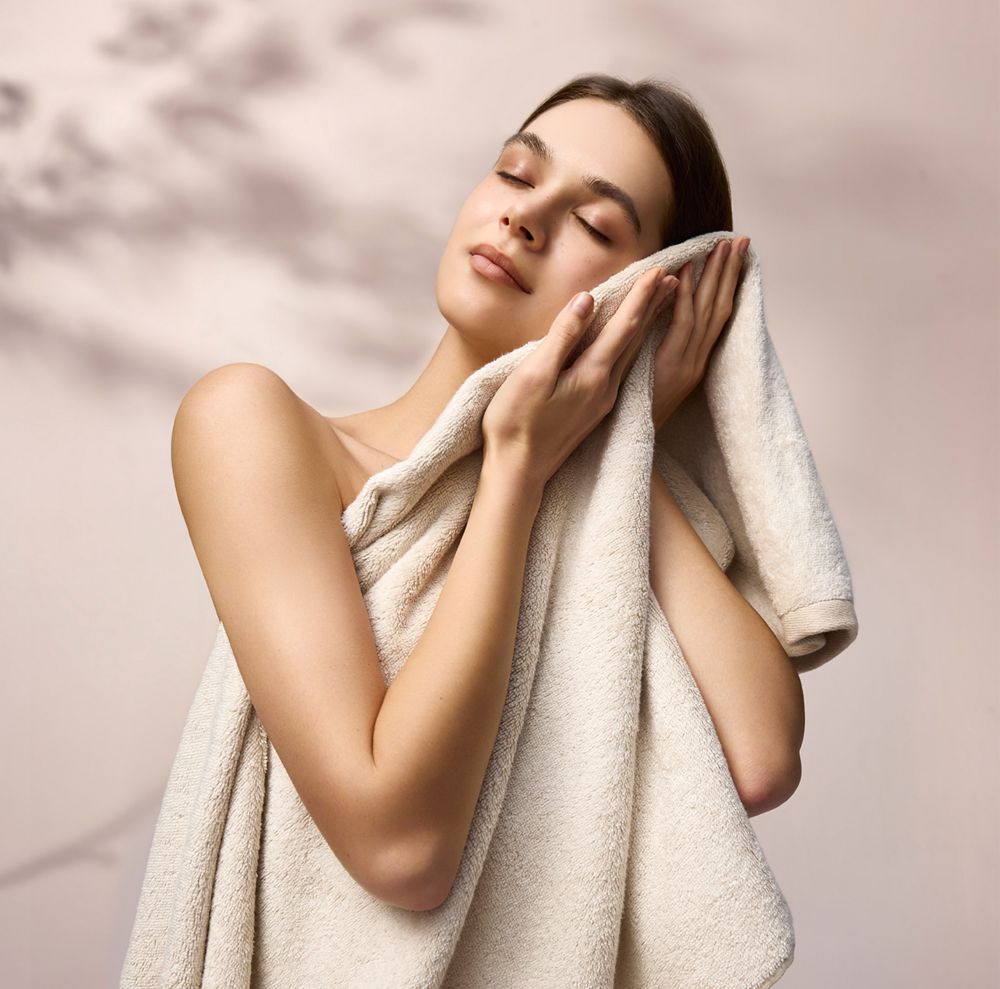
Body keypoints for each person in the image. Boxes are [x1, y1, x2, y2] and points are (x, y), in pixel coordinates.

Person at [168, 73, 798, 916]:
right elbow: (401, 851)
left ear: (647, 299)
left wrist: (623, 436)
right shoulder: (252, 424)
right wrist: (513, 472)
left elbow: (757, 757)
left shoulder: (599, 522)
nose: (524, 216)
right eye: (515, 171)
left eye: (594, 223)